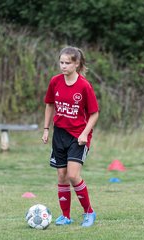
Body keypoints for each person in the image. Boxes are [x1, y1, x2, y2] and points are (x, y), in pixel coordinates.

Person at [41, 46, 99, 227]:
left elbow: (94, 114)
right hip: (59, 134)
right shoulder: (55, 82)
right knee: (61, 175)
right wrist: (46, 129)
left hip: (78, 136)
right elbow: (49, 105)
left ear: (77, 64)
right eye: (61, 62)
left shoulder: (84, 86)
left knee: (73, 175)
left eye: (67, 63)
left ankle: (89, 212)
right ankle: (65, 216)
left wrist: (84, 134)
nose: (63, 66)